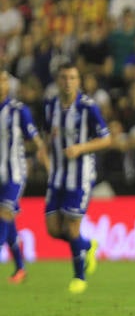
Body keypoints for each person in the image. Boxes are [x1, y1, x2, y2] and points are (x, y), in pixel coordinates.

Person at [44, 63, 112, 294]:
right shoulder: (50, 105)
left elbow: (106, 139)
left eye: (72, 78)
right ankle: (87, 245)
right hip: (57, 176)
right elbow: (48, 136)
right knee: (53, 229)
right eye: (64, 77)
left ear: (78, 81)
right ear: (57, 80)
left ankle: (79, 277)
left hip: (80, 176)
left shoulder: (88, 107)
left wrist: (81, 148)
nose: (68, 82)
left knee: (72, 227)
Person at [1, 71, 49, 283]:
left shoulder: (18, 111)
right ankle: (20, 267)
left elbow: (36, 140)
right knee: (8, 219)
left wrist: (48, 166)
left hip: (15, 172)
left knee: (4, 212)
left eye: (3, 80)